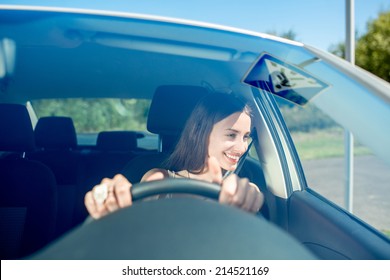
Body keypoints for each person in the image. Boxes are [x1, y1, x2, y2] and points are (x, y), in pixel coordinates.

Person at [84, 92, 264, 219]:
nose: (241, 148)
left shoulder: (238, 189)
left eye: (246, 137)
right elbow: (133, 223)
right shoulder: (160, 179)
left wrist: (249, 197)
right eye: (231, 135)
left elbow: (250, 194)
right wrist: (111, 201)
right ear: (201, 133)